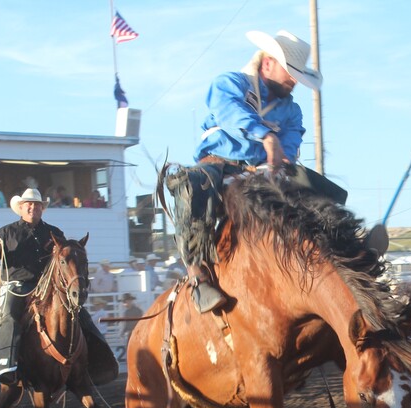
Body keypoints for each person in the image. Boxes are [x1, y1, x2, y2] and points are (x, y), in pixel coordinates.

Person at [174, 29, 323, 314]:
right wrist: (266, 135)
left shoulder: (292, 111)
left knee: (317, 189)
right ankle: (198, 276)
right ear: (268, 63)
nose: (294, 81)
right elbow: (229, 111)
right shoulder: (230, 83)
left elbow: (290, 145)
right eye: (290, 73)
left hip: (264, 170)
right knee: (191, 187)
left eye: (297, 76)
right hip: (218, 162)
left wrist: (280, 162)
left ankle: (345, 248)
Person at [0, 188, 118, 386]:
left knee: (79, 314)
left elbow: (66, 257)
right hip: (18, 286)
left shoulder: (54, 233)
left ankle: (98, 361)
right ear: (22, 208)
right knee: (9, 316)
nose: (33, 207)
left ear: (42, 208)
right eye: (29, 204)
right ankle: (3, 365)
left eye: (37, 205)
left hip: (48, 287)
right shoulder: (6, 233)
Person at [116, 293, 143, 361]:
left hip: (135, 334)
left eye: (124, 301)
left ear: (129, 301)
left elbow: (132, 324)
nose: (124, 304)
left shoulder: (136, 311)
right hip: (133, 334)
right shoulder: (133, 311)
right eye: (123, 302)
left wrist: (123, 332)